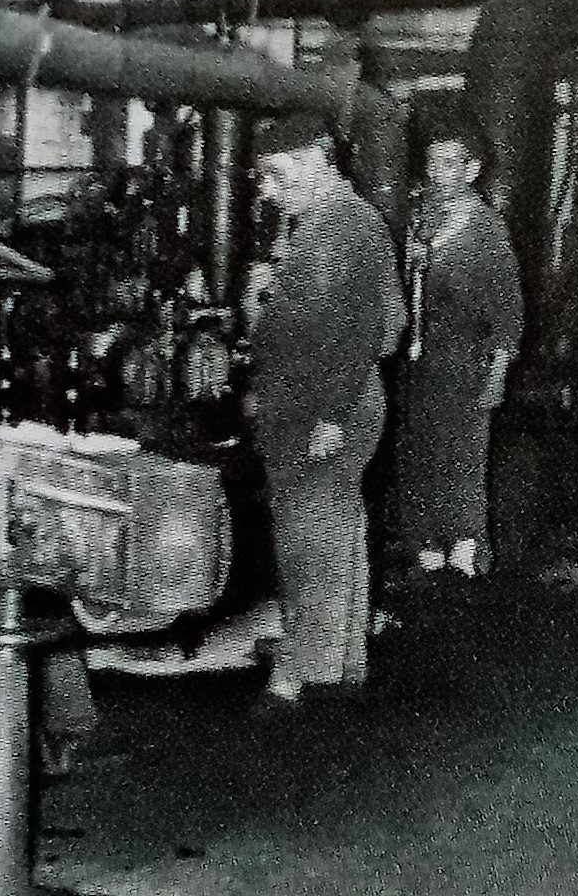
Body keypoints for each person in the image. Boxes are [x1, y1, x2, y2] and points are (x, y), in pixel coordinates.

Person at [246, 111, 405, 709]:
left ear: (314, 159)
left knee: (309, 538)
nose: (266, 190)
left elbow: (366, 332)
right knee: (334, 533)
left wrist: (331, 415)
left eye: (274, 173)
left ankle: (301, 680)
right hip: (323, 402)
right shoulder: (327, 222)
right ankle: (337, 663)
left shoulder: (342, 228)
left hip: (328, 406)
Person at [397, 118, 524, 578]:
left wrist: (497, 374)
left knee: (462, 455)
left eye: (450, 164)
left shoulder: (486, 231)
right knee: (421, 453)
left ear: (471, 170)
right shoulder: (422, 220)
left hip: (467, 360)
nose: (439, 173)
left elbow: (509, 313)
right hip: (421, 359)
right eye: (433, 164)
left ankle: (467, 551)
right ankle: (428, 549)